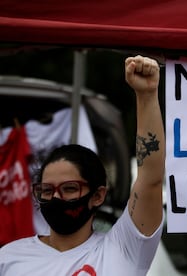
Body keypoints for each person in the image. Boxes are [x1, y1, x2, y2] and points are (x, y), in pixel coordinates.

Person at [0, 55, 165, 275]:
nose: (56, 198)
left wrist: (146, 95)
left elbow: (150, 178)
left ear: (98, 195)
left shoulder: (124, 248)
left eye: (69, 188)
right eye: (46, 190)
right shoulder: (9, 258)